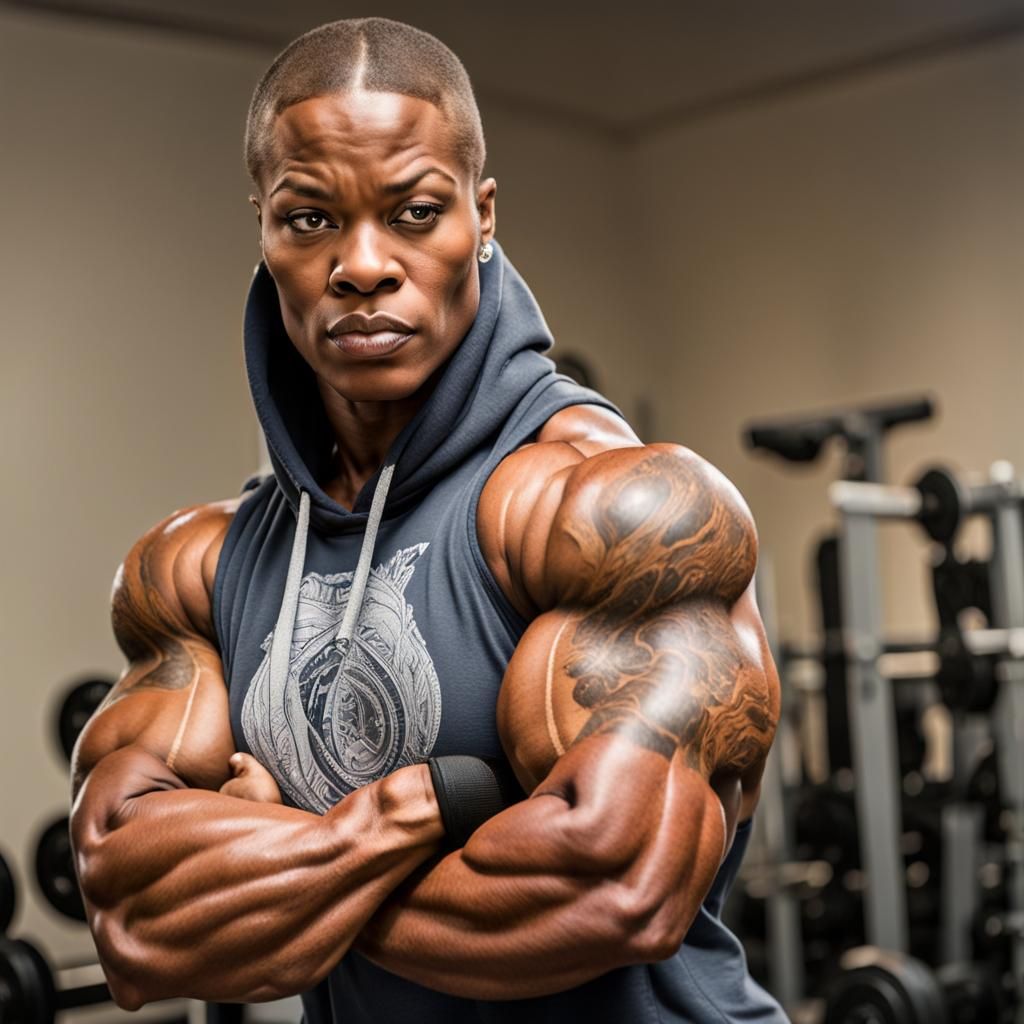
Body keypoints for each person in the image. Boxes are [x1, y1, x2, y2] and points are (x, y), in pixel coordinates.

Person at [70, 17, 786, 1024]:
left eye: (413, 211)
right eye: (310, 218)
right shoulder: (200, 564)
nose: (362, 264)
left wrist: (274, 875)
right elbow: (135, 916)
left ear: (481, 217)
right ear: (264, 231)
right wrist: (398, 821)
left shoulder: (610, 510)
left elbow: (610, 890)